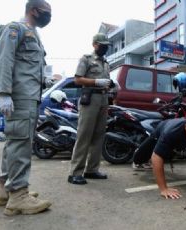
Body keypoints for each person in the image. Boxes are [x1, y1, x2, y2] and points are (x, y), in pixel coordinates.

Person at [0, 0, 52, 216]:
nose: (49, 17)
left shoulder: (34, 34)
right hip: (20, 96)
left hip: (29, 96)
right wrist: (4, 93)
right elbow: (4, 61)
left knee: (13, 142)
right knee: (20, 144)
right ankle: (18, 195)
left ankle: (4, 189)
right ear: (34, 10)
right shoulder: (15, 29)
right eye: (47, 12)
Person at [67, 33, 112, 185]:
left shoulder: (106, 63)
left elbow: (105, 82)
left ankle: (92, 169)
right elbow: (77, 79)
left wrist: (112, 85)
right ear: (94, 44)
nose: (105, 47)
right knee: (84, 135)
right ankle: (75, 172)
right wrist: (95, 81)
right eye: (102, 45)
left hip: (104, 99)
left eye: (106, 45)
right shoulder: (86, 59)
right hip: (90, 98)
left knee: (99, 136)